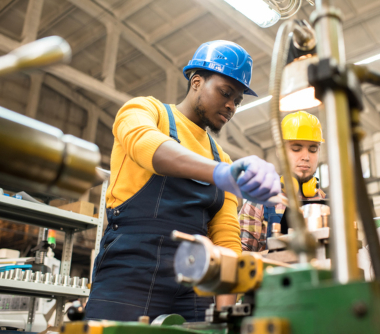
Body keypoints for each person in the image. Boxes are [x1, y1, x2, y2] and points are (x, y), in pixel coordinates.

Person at [85, 40, 281, 322]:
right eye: (226, 93)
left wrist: (226, 313)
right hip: (130, 270)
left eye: (237, 100)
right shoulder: (147, 111)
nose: (231, 106)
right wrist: (220, 174)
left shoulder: (221, 157)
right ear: (197, 82)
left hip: (197, 281)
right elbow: (145, 144)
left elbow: (226, 239)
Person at [239, 111, 326, 252]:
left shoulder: (324, 203)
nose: (306, 157)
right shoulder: (258, 202)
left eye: (313, 149)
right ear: (280, 152)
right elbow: (242, 259)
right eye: (296, 149)